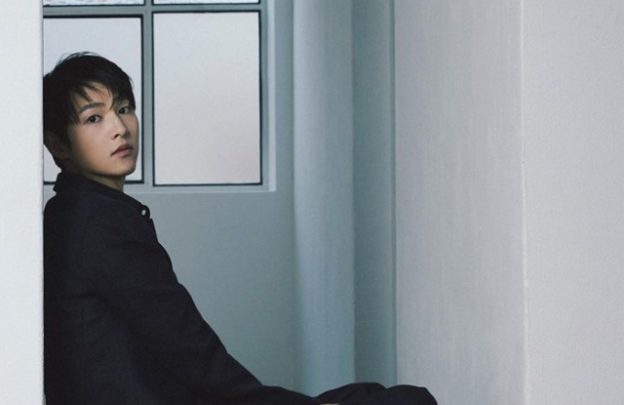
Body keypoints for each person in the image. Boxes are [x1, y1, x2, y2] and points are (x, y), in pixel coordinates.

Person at [43, 52, 437, 405]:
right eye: (94, 118)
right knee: (409, 401)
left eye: (125, 108)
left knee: (371, 394)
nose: (119, 127)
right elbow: (193, 355)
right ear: (58, 144)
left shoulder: (81, 212)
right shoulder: (97, 223)